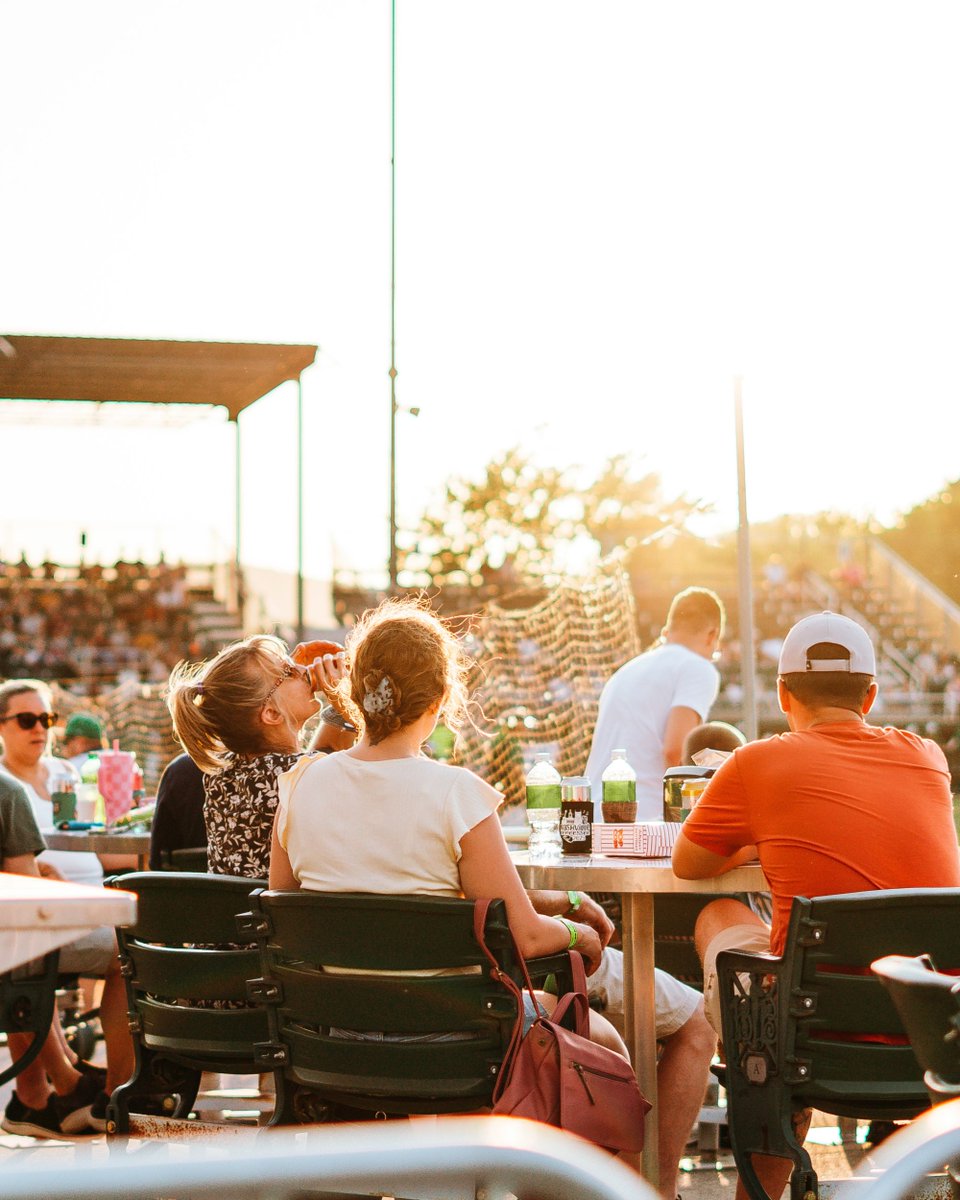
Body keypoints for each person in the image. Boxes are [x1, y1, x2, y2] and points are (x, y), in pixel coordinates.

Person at [268, 598, 658, 1177]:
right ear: (440, 699)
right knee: (604, 1058)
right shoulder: (457, 795)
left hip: (332, 1037)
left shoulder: (301, 783)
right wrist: (580, 930)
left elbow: (287, 914)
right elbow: (525, 934)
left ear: (356, 691)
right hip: (451, 1041)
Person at [672, 610, 960, 1200]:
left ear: (783, 692)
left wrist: (764, 838)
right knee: (792, 974)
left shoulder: (755, 762)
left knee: (721, 923)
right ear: (872, 694)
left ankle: (766, 1126)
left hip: (810, 1036)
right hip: (933, 1033)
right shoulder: (929, 758)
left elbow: (689, 863)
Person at [0, 772, 130, 1138]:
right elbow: (24, 900)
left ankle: (37, 1097)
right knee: (125, 952)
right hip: (9, 946)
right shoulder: (7, 791)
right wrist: (49, 886)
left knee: (25, 950)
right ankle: (111, 1098)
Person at [166, 634, 346, 879]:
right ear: (271, 713)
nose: (304, 670)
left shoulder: (220, 776)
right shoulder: (304, 774)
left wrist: (341, 705)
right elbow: (362, 767)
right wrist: (350, 702)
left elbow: (325, 754)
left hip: (235, 916)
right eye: (289, 672)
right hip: (284, 917)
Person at [585, 587, 725, 820]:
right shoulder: (698, 668)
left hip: (595, 818)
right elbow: (675, 751)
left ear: (667, 631)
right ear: (712, 635)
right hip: (644, 820)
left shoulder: (626, 671)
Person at [0, 679, 100, 885]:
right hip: (51, 896)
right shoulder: (5, 789)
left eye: (46, 719)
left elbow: (94, 843)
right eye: (26, 720)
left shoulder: (65, 770)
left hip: (100, 885)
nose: (39, 728)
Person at [147, 751, 207, 871]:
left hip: (184, 882)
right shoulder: (251, 769)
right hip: (244, 885)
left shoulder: (179, 769)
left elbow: (156, 856)